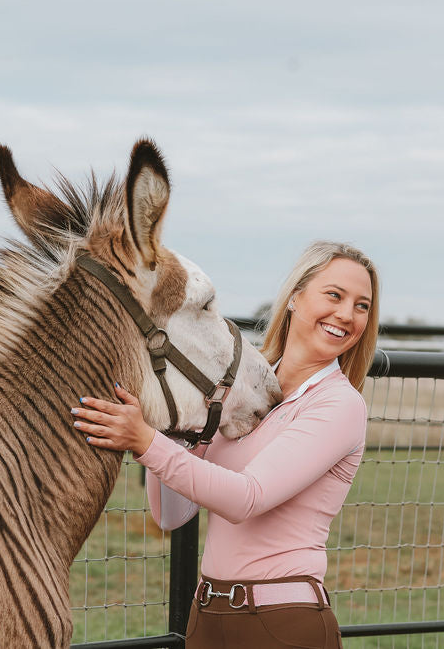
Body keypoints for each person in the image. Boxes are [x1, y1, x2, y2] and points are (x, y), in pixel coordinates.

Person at [71, 241, 380, 648]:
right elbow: (170, 513)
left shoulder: (339, 404)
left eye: (361, 305)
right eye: (335, 295)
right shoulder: (244, 392)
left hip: (281, 624)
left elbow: (246, 499)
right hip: (208, 616)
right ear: (295, 297)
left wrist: (144, 441)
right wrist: (169, 429)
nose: (346, 314)